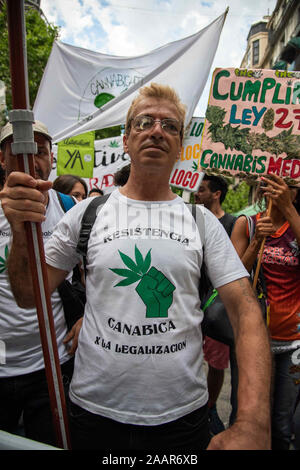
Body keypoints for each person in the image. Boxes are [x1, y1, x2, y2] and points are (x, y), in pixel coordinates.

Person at [1, 83, 272, 451]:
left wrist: (254, 421)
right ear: (126, 140)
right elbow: (29, 294)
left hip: (180, 420)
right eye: (144, 122)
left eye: (170, 125)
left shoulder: (200, 221)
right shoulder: (87, 214)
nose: (157, 130)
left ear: (180, 146)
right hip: (93, 414)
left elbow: (246, 313)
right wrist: (20, 231)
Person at [0, 120, 81, 446]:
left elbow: (93, 273)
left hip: (53, 362)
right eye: (19, 152)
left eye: (41, 151)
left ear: (51, 159)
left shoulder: (71, 208)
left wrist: (85, 317)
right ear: (3, 159)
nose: (32, 160)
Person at [230, 175, 300, 450]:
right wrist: (257, 240)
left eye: (289, 186)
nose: (280, 190)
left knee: (283, 428)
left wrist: (290, 210)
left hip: (293, 344)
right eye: (274, 184)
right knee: (246, 421)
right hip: (252, 340)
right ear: (263, 188)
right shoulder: (246, 224)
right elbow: (232, 280)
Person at [194, 174, 237, 435]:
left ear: (217, 194)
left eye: (202, 189)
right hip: (191, 301)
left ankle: (210, 408)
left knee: (216, 362)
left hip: (217, 305)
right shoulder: (192, 219)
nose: (197, 193)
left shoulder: (232, 223)